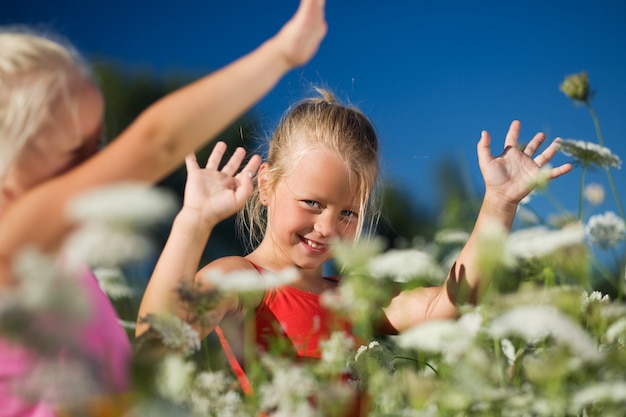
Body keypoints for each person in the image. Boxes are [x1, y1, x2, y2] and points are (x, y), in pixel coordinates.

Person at [0, 0, 327, 415]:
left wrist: (195, 219)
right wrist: (281, 54)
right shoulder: (9, 244)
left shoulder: (63, 274)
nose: (98, 167)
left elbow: (152, 349)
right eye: (73, 150)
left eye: (97, 147)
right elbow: (158, 140)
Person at [136, 89, 573, 393]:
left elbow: (449, 304)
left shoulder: (352, 298)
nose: (327, 227)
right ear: (265, 185)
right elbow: (156, 344)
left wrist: (499, 203)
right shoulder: (240, 279)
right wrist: (193, 221)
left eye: (347, 212)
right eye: (311, 203)